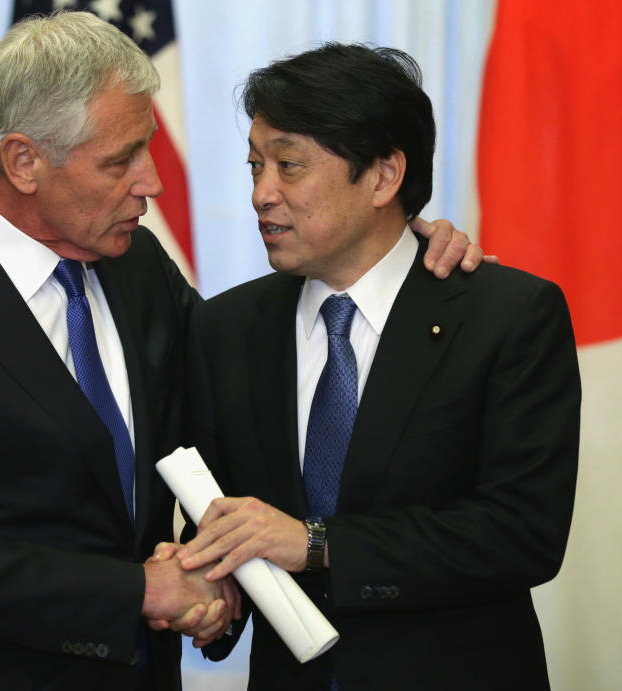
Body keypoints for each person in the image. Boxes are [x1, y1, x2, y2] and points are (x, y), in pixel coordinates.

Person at [0, 12, 481, 690]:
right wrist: (137, 590)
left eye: (147, 148)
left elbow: (231, 414)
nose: (152, 182)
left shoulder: (134, 262)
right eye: (120, 160)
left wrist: (395, 245)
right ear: (24, 161)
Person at [172, 43, 581, 690]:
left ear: (385, 177)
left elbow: (520, 533)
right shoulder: (223, 328)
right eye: (255, 166)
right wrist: (210, 594)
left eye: (289, 165)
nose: (261, 194)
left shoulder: (508, 315)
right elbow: (228, 526)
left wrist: (316, 542)